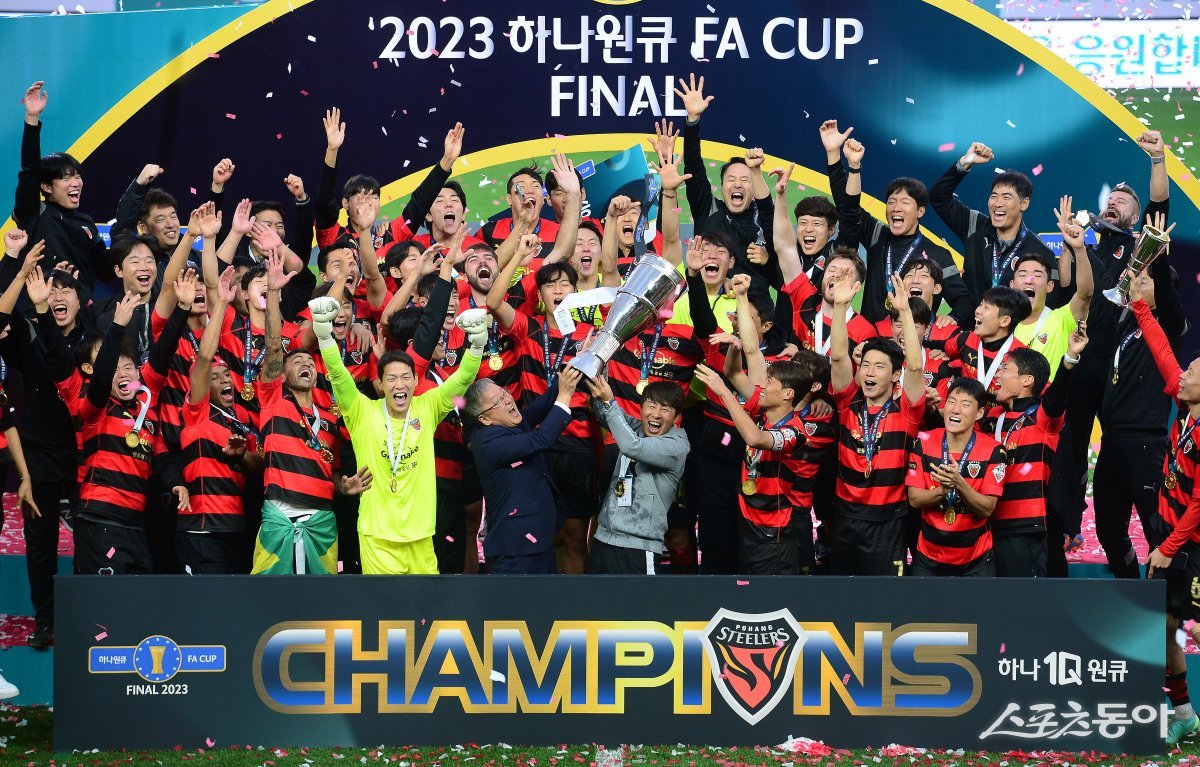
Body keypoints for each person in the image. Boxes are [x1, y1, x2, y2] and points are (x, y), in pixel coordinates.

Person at [312, 294, 487, 575]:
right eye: (391, 378)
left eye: (406, 377)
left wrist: (477, 344)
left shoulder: (427, 406)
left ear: (416, 381)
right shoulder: (362, 411)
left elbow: (463, 379)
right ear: (380, 384)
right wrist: (324, 335)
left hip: (421, 536)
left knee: (424, 604)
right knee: (385, 603)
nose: (399, 384)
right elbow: (339, 375)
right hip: (377, 537)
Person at [250, 251, 358, 575]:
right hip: (279, 513)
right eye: (297, 361)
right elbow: (273, 344)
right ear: (281, 375)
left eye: (309, 361)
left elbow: (331, 470)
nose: (306, 363)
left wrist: (343, 487)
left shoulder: (329, 420)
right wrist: (273, 293)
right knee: (270, 595)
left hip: (323, 517)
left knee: (322, 600)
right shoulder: (274, 398)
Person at [821, 120, 974, 327]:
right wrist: (834, 155)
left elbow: (964, 302)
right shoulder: (877, 235)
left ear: (920, 211)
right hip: (870, 340)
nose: (896, 208)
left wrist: (953, 318)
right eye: (891, 202)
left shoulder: (939, 255)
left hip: (911, 340)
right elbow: (847, 207)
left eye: (905, 202)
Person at [1133, 292, 1200, 746]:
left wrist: (1169, 547)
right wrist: (1140, 308)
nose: (1184, 374)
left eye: (1192, 372)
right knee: (1164, 628)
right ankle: (1185, 714)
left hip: (1191, 544)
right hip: (1167, 534)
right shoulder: (1186, 405)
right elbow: (1162, 354)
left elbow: (1199, 504)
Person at [697, 356, 835, 574]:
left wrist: (723, 392)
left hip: (772, 535)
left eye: (769, 382)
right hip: (747, 526)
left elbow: (755, 438)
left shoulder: (794, 432)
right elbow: (733, 373)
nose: (762, 386)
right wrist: (735, 347)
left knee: (770, 595)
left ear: (787, 394)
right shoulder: (762, 413)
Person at [1095, 241, 1183, 579]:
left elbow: (1165, 293)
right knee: (1107, 529)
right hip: (1112, 441)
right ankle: (1131, 586)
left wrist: (1158, 256)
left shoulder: (1170, 326)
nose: (1137, 281)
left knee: (1155, 528)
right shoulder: (1126, 325)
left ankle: (1169, 602)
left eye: (1145, 279)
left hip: (1145, 442)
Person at [829, 273, 926, 575]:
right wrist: (840, 307)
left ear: (895, 375)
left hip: (888, 521)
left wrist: (905, 312)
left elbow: (915, 365)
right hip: (846, 517)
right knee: (843, 594)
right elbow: (838, 358)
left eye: (879, 366)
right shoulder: (847, 402)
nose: (869, 372)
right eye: (866, 365)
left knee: (887, 596)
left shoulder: (907, 411)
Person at [177, 267, 262, 574]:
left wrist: (243, 456)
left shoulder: (241, 418)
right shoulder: (197, 411)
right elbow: (204, 357)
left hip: (237, 528)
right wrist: (223, 303)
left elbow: (260, 467)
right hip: (202, 529)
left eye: (226, 374)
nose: (225, 379)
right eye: (214, 377)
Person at [466, 365, 583, 574]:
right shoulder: (486, 441)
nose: (507, 400)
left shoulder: (513, 422)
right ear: (485, 419)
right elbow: (542, 438)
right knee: (518, 598)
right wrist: (565, 395)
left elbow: (547, 400)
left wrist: (578, 364)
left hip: (540, 542)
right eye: (497, 401)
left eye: (504, 393)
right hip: (515, 551)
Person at [987, 332, 1085, 577]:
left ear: (1026, 380)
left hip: (1024, 527)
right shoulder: (991, 417)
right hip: (987, 522)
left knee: (1025, 597)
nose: (997, 374)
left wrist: (1069, 359)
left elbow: (1057, 396)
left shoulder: (1042, 418)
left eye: (1005, 369)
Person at [674, 74, 776, 289]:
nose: (737, 184)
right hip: (710, 302)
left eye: (745, 180)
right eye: (731, 179)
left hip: (754, 305)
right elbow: (694, 168)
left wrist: (767, 261)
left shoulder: (765, 219)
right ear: (721, 188)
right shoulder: (708, 209)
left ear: (754, 189)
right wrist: (692, 120)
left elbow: (782, 281)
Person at [929, 142, 1059, 306]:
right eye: (994, 196)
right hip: (973, 322)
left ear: (1024, 204)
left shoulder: (1041, 252)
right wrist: (966, 161)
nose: (997, 203)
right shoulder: (974, 225)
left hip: (1014, 323)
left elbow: (1051, 303)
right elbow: (938, 197)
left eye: (1006, 197)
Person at [7, 81, 108, 291]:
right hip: (41, 306)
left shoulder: (87, 223)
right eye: (65, 178)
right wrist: (32, 118)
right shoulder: (35, 213)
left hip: (82, 309)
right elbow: (29, 170)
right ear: (46, 186)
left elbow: (107, 271)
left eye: (77, 176)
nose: (75, 183)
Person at [585, 374, 690, 575]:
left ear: (677, 417)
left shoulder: (676, 446)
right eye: (651, 406)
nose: (656, 414)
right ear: (641, 409)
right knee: (595, 597)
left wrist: (609, 402)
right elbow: (605, 413)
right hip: (604, 540)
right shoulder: (637, 428)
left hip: (639, 548)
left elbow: (632, 447)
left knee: (639, 599)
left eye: (665, 409)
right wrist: (598, 373)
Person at [906, 377, 1007, 576]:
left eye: (965, 404)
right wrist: (943, 490)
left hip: (976, 561)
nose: (955, 409)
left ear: (979, 413)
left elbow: (987, 508)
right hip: (928, 559)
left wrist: (959, 483)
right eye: (951, 401)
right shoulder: (923, 442)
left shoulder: (994, 450)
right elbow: (914, 499)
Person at [940, 286, 1031, 397]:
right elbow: (943, 353)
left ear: (1004, 321)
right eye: (980, 305)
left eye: (986, 307)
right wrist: (938, 354)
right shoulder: (965, 339)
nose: (977, 311)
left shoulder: (1022, 358)